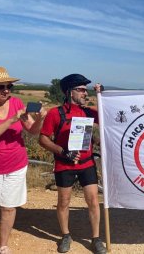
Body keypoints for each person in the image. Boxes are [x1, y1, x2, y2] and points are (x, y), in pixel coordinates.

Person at [0, 66, 46, 254]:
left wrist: (39, 119)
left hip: (16, 165)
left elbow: (32, 130)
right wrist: (10, 120)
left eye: (9, 87)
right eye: (1, 87)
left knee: (9, 207)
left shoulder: (15, 103)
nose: (6, 90)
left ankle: (3, 246)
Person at [39, 74, 105, 254]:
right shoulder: (55, 113)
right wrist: (62, 151)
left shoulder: (88, 112)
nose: (85, 93)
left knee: (92, 200)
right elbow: (43, 139)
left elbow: (109, 116)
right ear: (69, 92)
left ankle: (96, 238)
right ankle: (66, 235)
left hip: (86, 163)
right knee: (64, 202)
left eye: (86, 90)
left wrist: (102, 96)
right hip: (64, 165)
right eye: (81, 90)